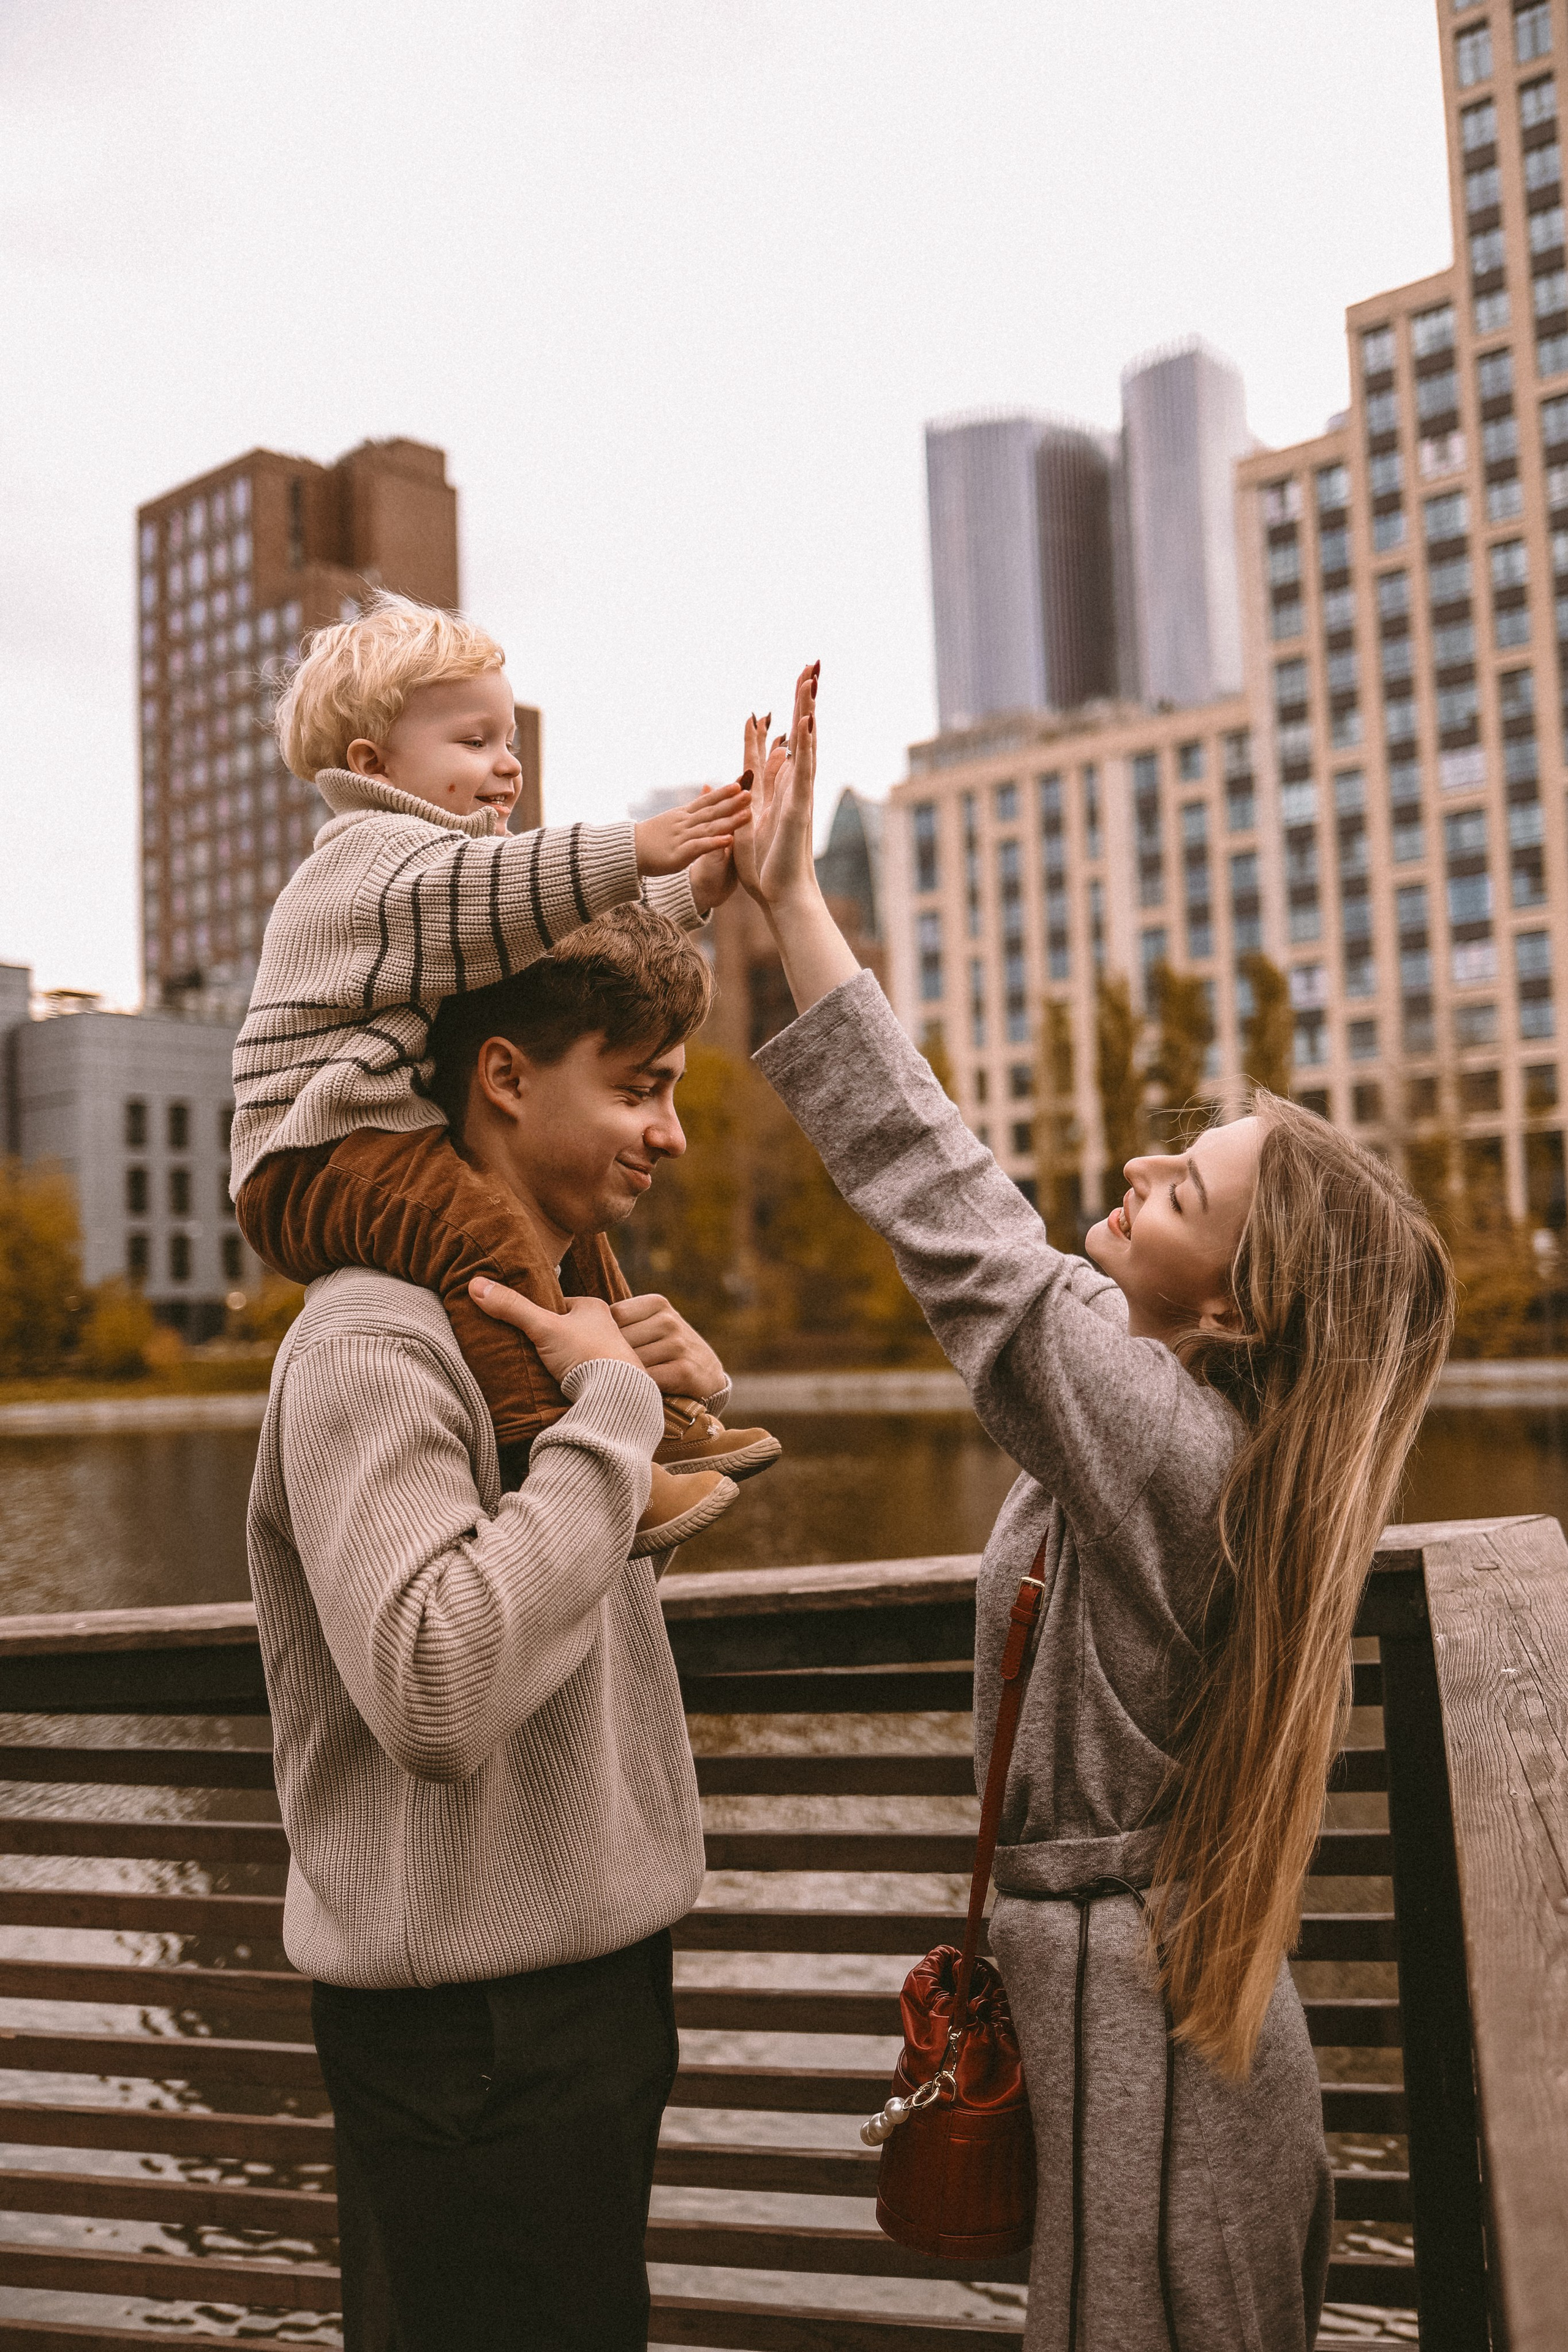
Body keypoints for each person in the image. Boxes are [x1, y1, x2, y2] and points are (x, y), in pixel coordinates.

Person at [499, 665, 1456, 2350]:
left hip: (1144, 2036)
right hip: (1125, 2000)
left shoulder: (1168, 1440)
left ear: (1236, 1307)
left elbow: (961, 1225)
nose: (1146, 1171)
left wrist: (796, 910)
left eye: (1192, 1188)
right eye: (1178, 1147)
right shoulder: (1179, 1438)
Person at [248, 901, 733, 2351]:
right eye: (638, 1086)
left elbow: (563, 1591)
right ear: (509, 1078)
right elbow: (440, 1681)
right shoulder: (371, 1340)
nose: (671, 1135)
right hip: (474, 2040)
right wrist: (615, 1419)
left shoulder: (541, 1321)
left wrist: (681, 1411)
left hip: (577, 1995)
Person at [231, 589, 780, 1555]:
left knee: (575, 1246)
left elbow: (563, 951)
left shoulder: (449, 875)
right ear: (373, 766)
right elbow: (500, 894)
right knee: (479, 1227)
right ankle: (552, 1444)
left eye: (510, 739)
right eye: (475, 741)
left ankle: (651, 1413)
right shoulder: (370, 864)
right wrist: (639, 842)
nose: (508, 763)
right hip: (310, 1153)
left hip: (381, 1132)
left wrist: (696, 882)